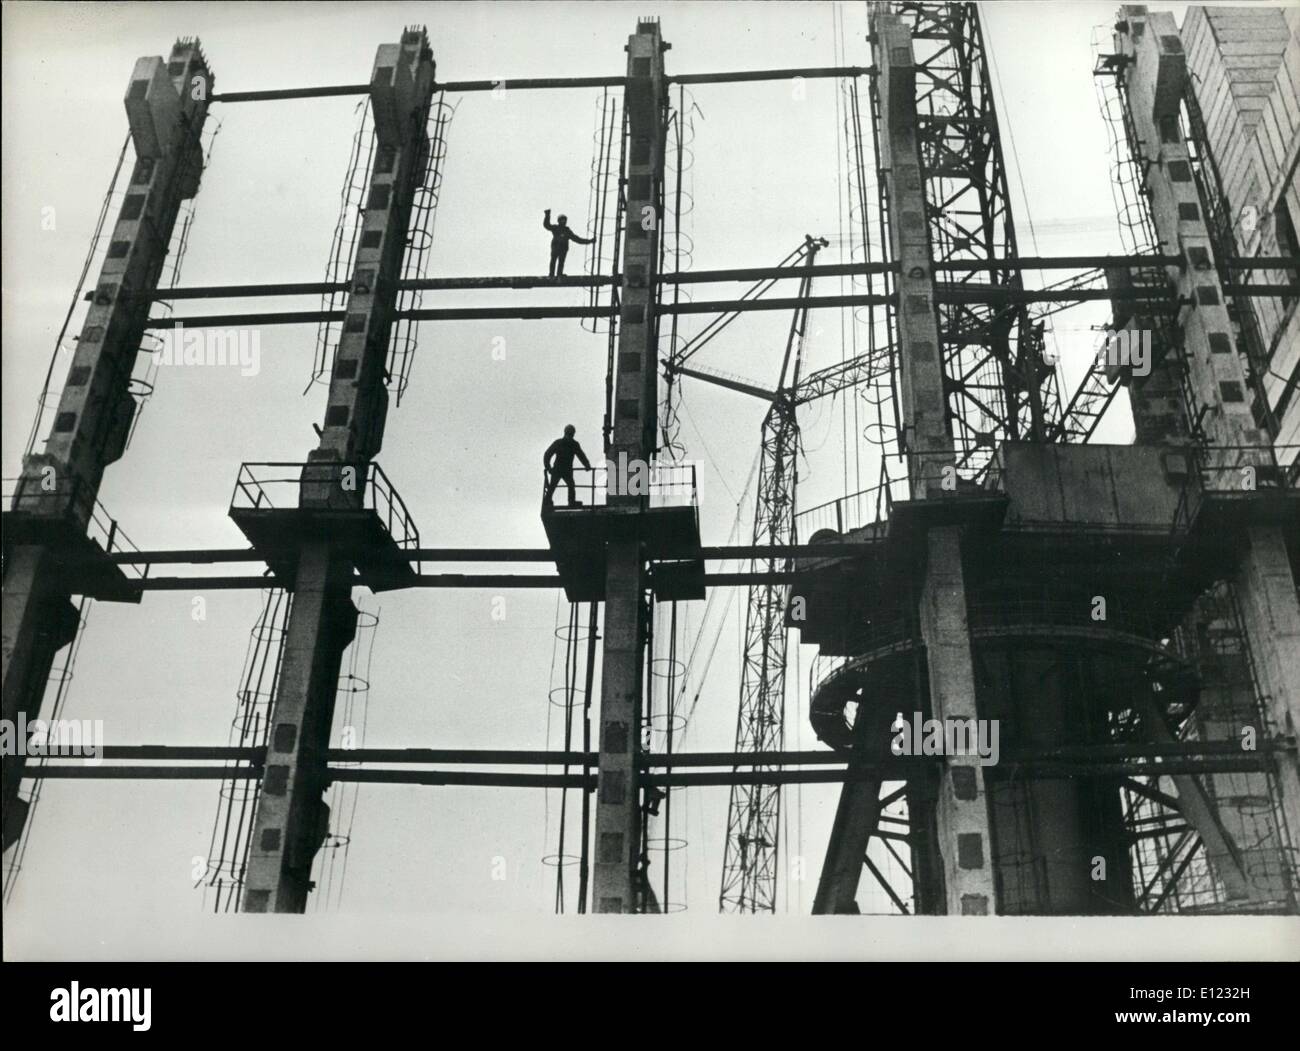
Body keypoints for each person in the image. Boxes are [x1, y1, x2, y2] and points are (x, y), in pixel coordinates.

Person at [543, 424, 592, 506]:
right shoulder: (570, 444)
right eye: (570, 433)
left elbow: (581, 455)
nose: (571, 435)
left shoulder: (564, 443)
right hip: (562, 469)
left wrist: (586, 465)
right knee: (564, 485)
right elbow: (547, 455)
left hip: (560, 469)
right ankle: (568, 501)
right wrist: (548, 467)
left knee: (565, 485)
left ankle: (550, 501)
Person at [543, 209, 594, 278]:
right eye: (562, 220)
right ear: (559, 221)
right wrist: (547, 215)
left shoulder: (567, 231)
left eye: (564, 220)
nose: (563, 221)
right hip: (556, 247)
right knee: (553, 260)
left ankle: (559, 274)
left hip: (563, 248)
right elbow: (547, 225)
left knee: (561, 261)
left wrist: (590, 241)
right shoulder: (555, 228)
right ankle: (551, 274)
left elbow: (577, 239)